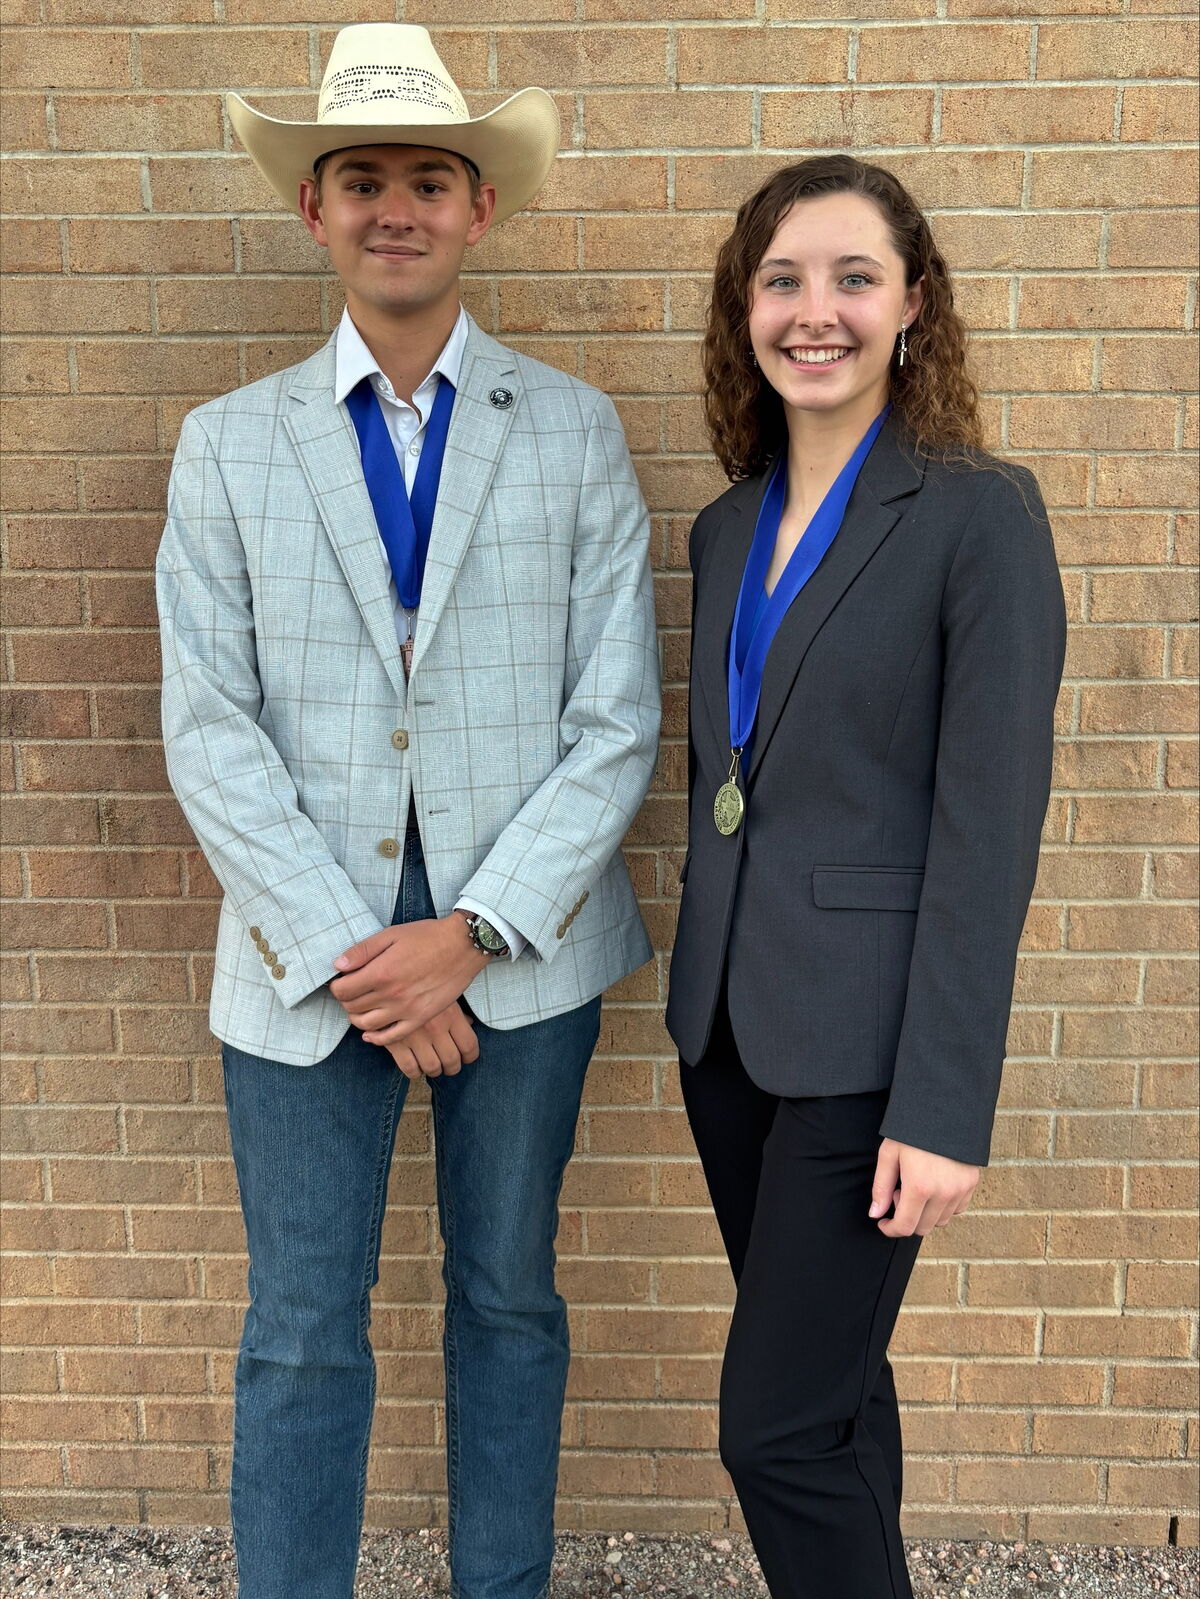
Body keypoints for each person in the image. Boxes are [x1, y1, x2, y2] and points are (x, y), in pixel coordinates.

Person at [155, 24, 660, 1599]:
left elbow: (615, 718)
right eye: (362, 179)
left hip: (522, 953)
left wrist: (473, 933)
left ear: (478, 209)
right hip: (304, 967)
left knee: (509, 1297)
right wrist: (353, 949)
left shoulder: (573, 432)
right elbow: (209, 727)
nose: (397, 208)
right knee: (302, 1326)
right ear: (313, 209)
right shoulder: (227, 445)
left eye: (428, 180)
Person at [665, 155, 1066, 1598]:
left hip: (864, 1058)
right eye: (782, 279)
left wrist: (945, 1107)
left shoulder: (978, 516)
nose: (812, 311)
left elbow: (988, 833)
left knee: (771, 1431)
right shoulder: (725, 527)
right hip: (726, 1034)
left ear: (912, 307)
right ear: (745, 306)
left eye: (852, 278)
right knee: (832, 1398)